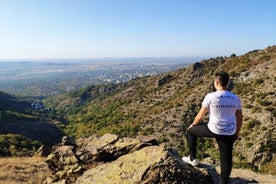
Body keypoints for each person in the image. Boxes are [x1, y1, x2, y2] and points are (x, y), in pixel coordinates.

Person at [182, 71, 243, 184]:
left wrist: (193, 125)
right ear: (227, 83)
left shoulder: (210, 96)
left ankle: (192, 158)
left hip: (213, 129)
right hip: (229, 131)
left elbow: (200, 116)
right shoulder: (235, 98)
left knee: (191, 132)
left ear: (216, 82)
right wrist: (236, 133)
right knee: (226, 159)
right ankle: (224, 182)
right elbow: (239, 118)